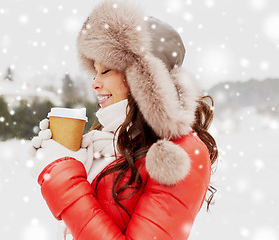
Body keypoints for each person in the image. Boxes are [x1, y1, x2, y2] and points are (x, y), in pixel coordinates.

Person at [30, 1, 218, 239]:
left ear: (142, 77)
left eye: (106, 71)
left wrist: (60, 176)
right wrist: (66, 158)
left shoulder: (182, 153)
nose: (94, 83)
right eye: (94, 71)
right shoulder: (105, 142)